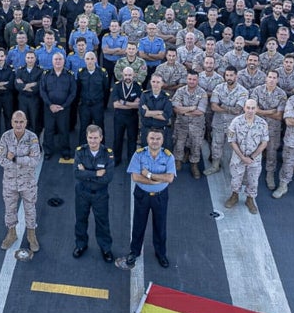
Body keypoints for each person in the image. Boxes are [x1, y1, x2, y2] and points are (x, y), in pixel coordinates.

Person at [124, 129, 177, 269]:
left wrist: (148, 175)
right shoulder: (139, 154)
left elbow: (170, 178)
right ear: (147, 140)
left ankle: (161, 253)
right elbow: (135, 177)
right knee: (138, 224)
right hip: (142, 195)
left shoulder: (168, 156)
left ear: (162, 140)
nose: (155, 141)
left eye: (158, 138)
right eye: (152, 138)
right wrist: (155, 181)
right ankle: (134, 252)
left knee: (160, 226)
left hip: (160, 197)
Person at [0, 109, 42, 251]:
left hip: (28, 183)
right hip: (10, 182)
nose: (18, 124)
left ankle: (31, 236)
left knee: (30, 209)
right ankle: (11, 234)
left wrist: (14, 158)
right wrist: (24, 159)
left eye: (21, 122)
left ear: (26, 122)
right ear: (11, 122)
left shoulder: (32, 138)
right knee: (10, 209)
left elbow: (35, 160)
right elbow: (2, 160)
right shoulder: (5, 137)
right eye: (15, 122)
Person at [73, 125, 115, 261]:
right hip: (82, 193)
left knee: (102, 222)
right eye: (90, 138)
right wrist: (96, 173)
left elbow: (107, 178)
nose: (93, 141)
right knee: (80, 220)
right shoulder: (80, 151)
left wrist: (85, 172)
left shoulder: (108, 154)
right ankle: (81, 245)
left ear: (101, 138)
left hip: (100, 194)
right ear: (86, 137)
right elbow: (76, 174)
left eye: (96, 138)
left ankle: (106, 248)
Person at [225, 99, 269, 214]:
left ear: (257, 109)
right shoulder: (236, 121)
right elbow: (232, 141)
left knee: (253, 181)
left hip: (254, 160)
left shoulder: (262, 123)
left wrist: (252, 157)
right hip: (238, 157)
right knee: (236, 178)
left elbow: (264, 143)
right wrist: (242, 157)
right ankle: (234, 196)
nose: (250, 110)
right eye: (248, 108)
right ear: (244, 108)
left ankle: (250, 199)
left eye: (253, 108)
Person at [38, 52, 77, 162]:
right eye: (56, 59)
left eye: (60, 59)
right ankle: (48, 151)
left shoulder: (70, 75)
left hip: (64, 109)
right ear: (52, 61)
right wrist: (50, 105)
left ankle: (65, 151)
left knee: (63, 130)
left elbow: (73, 92)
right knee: (49, 130)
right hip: (49, 108)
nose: (58, 61)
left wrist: (63, 106)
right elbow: (42, 91)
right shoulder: (46, 74)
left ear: (64, 61)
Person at [170, 70, 208, 178]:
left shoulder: (202, 93)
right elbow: (176, 108)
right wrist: (191, 108)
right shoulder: (180, 91)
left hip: (197, 125)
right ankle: (178, 161)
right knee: (179, 143)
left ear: (198, 80)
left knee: (196, 146)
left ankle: (194, 165)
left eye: (194, 79)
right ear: (187, 79)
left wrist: (184, 111)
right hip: (181, 124)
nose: (191, 81)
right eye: (190, 79)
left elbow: (201, 111)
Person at [110, 65, 142, 165]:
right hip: (119, 117)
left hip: (132, 117)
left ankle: (131, 160)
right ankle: (116, 159)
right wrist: (132, 104)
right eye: (126, 75)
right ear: (122, 75)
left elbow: (138, 105)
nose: (128, 77)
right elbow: (115, 104)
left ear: (134, 75)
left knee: (132, 139)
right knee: (117, 139)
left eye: (130, 75)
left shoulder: (137, 86)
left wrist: (123, 103)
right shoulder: (117, 86)